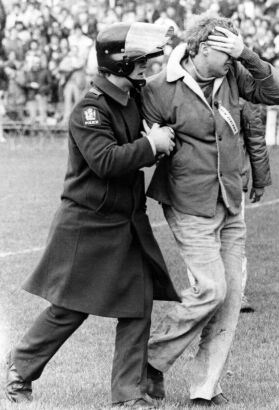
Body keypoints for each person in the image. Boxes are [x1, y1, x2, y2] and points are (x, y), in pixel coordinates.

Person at [5, 22, 179, 410]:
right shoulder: (89, 109)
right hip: (89, 223)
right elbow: (105, 162)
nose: (147, 69)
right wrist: (150, 144)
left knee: (139, 301)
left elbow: (161, 90)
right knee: (72, 306)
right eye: (139, 63)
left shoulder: (133, 96)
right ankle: (20, 366)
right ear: (118, 65)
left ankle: (128, 395)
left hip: (125, 219)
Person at [141, 14, 279, 405]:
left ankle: (204, 390)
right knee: (211, 289)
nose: (232, 59)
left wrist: (248, 55)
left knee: (230, 298)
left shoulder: (236, 73)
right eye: (227, 52)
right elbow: (148, 142)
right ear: (202, 48)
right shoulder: (158, 89)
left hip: (231, 202)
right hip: (189, 203)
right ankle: (150, 361)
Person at [239, 100, 272, 313]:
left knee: (234, 240)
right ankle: (202, 293)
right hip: (197, 181)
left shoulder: (242, 99)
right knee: (200, 240)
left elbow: (256, 139)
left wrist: (259, 180)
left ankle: (237, 294)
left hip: (233, 181)